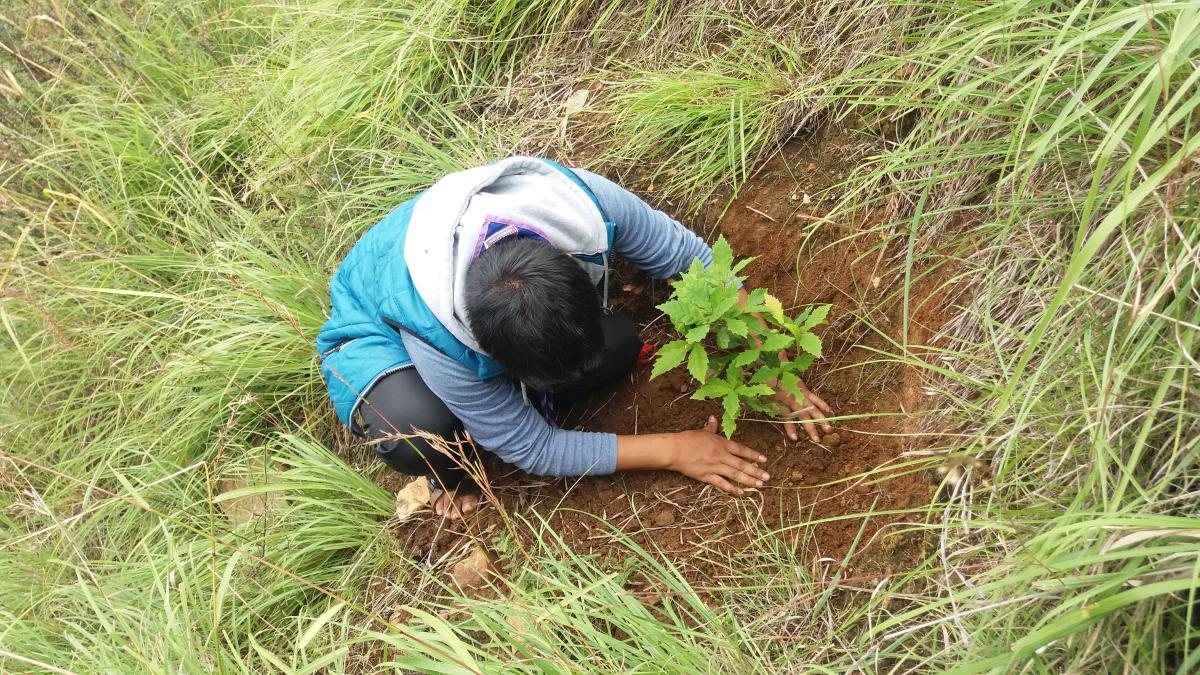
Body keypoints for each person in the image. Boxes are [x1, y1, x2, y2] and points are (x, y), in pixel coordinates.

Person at [316, 157, 832, 519]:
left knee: (622, 345)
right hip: (380, 322)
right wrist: (674, 449)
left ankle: (526, 395)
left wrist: (772, 368)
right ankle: (448, 473)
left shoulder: (574, 203)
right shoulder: (440, 337)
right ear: (486, 351)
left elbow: (690, 260)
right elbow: (530, 446)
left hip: (459, 252)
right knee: (417, 431)